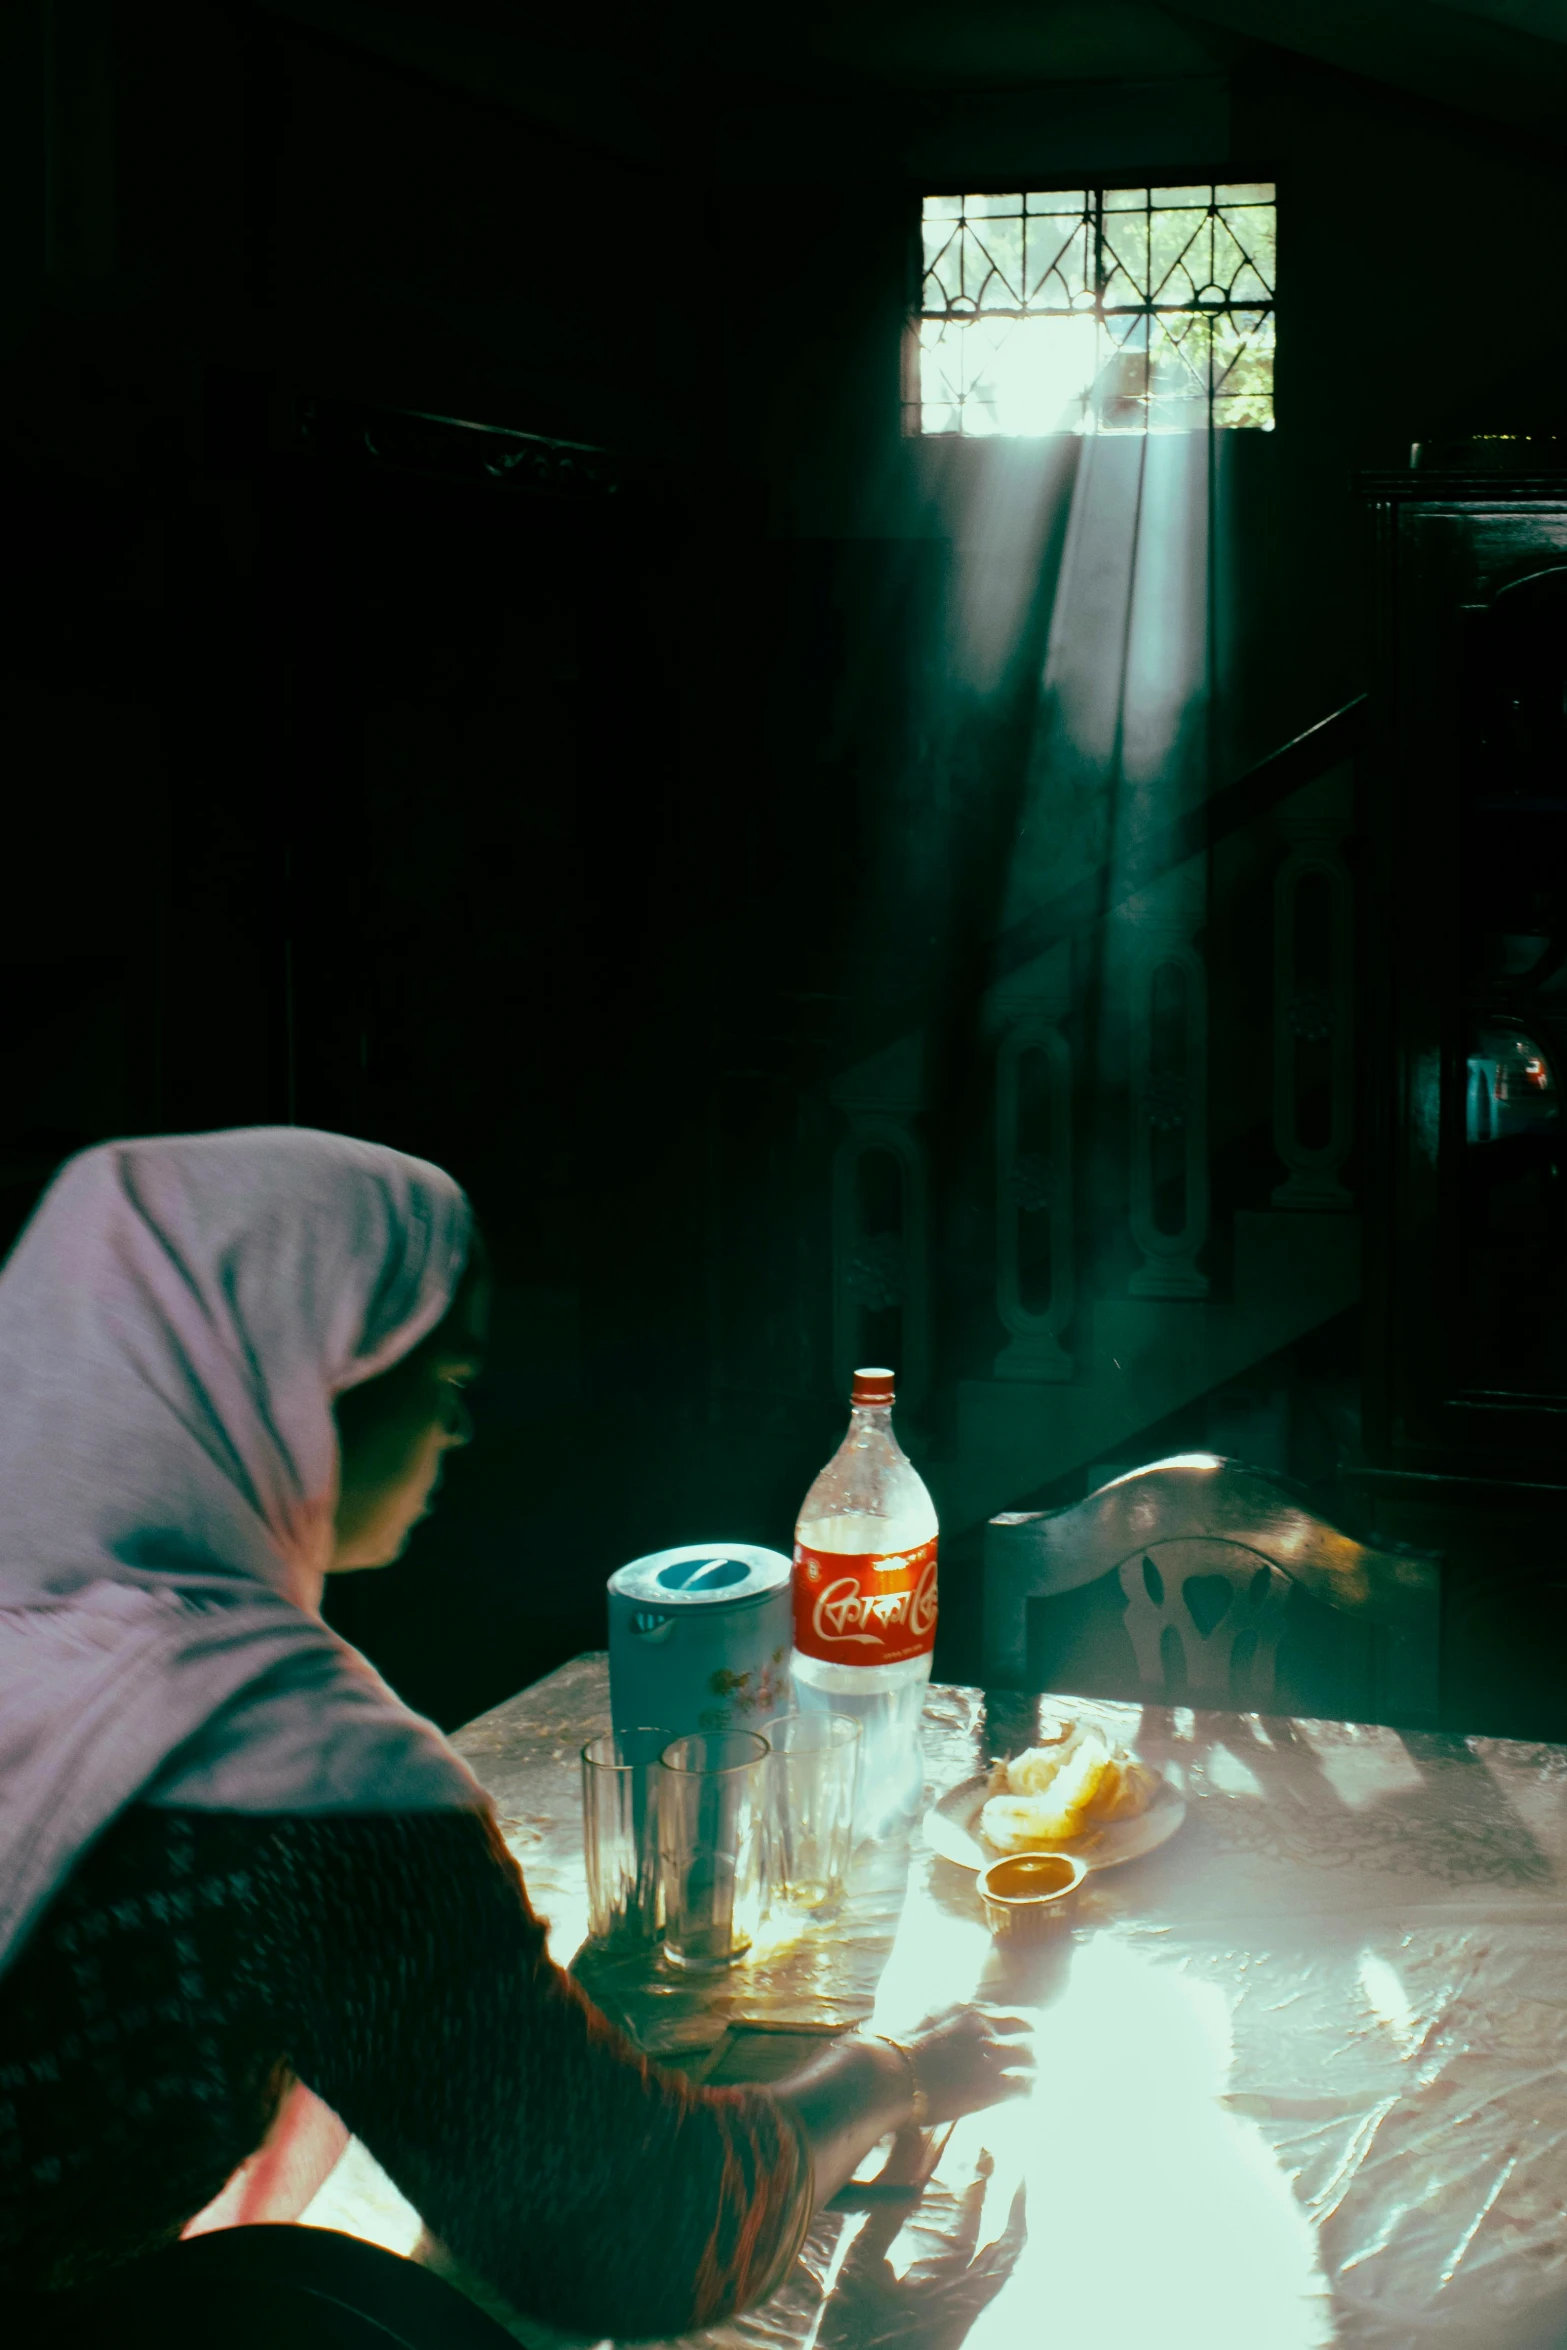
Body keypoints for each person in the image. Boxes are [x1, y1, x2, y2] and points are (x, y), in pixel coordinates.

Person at [0, 1128, 1031, 2335]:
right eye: (439, 1381)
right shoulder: (289, 1774)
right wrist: (896, 2074)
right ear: (285, 1382)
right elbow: (636, 2230)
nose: (461, 1431)